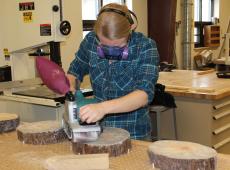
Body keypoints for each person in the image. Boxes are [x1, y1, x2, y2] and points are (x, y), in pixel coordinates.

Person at [67, 3, 159, 140]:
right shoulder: (91, 41)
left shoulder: (145, 47)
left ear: (130, 31)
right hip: (98, 131)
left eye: (118, 46)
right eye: (104, 46)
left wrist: (102, 108)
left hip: (133, 134)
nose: (110, 52)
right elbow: (75, 71)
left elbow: (143, 95)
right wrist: (70, 87)